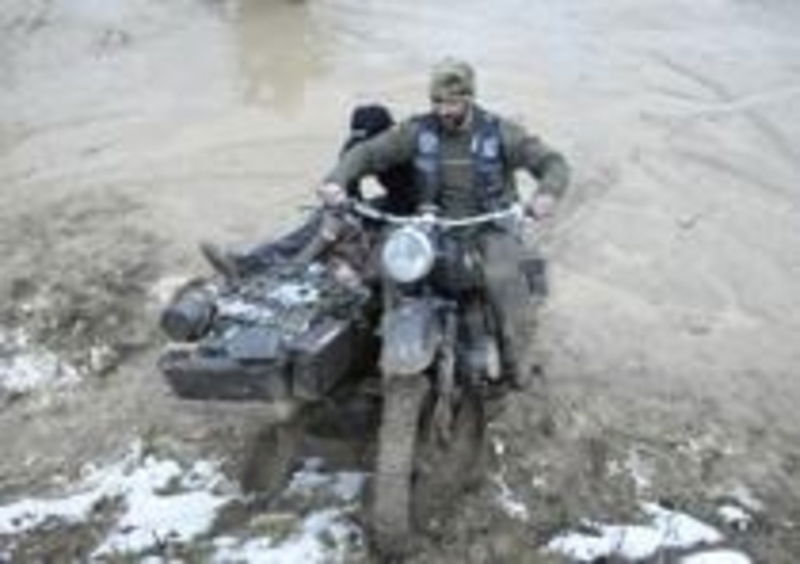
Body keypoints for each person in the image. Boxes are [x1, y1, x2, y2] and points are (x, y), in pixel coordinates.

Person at [318, 58, 570, 386]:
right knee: (390, 271)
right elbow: (368, 153)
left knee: (504, 281)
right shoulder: (417, 131)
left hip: (487, 228)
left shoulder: (500, 132)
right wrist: (336, 180)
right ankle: (384, 346)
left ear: (468, 98)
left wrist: (546, 194)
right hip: (430, 229)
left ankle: (517, 363)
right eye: (437, 102)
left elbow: (553, 162)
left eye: (452, 102)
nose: (443, 110)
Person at [200, 104, 415, 277]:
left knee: (384, 250)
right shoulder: (355, 149)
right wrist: (341, 215)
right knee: (318, 222)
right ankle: (246, 264)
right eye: (361, 143)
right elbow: (345, 191)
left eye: (371, 142)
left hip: (415, 208)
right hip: (391, 201)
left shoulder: (406, 152)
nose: (367, 149)